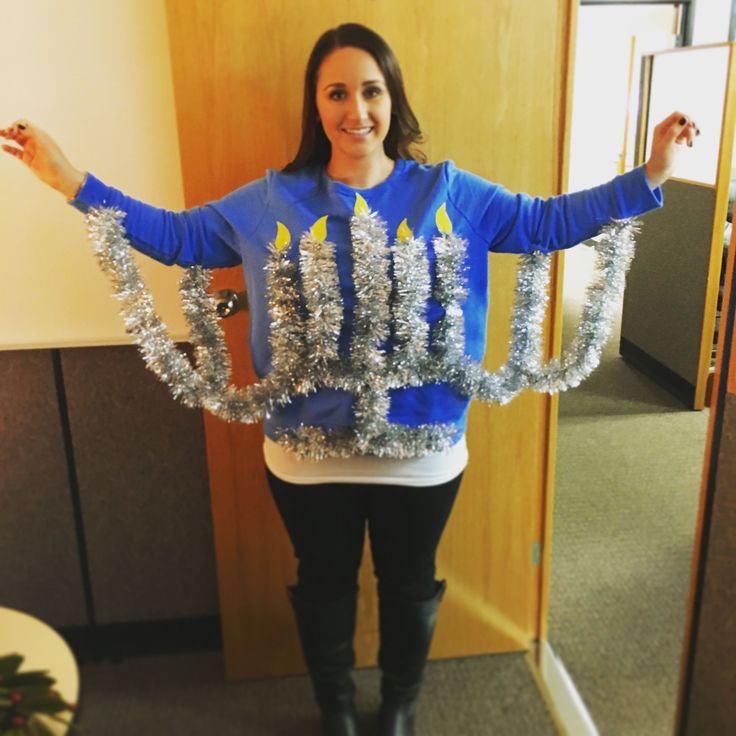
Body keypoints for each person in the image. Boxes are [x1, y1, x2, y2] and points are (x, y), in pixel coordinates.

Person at [1, 22, 697, 736]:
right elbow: (177, 237)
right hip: (305, 456)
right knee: (324, 584)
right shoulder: (270, 201)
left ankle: (400, 704)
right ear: (317, 105)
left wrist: (651, 173)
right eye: (337, 92)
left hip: (424, 451)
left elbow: (550, 222)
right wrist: (70, 180)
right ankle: (333, 706)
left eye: (371, 90)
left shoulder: (451, 192)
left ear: (393, 99)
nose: (355, 109)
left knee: (408, 584)